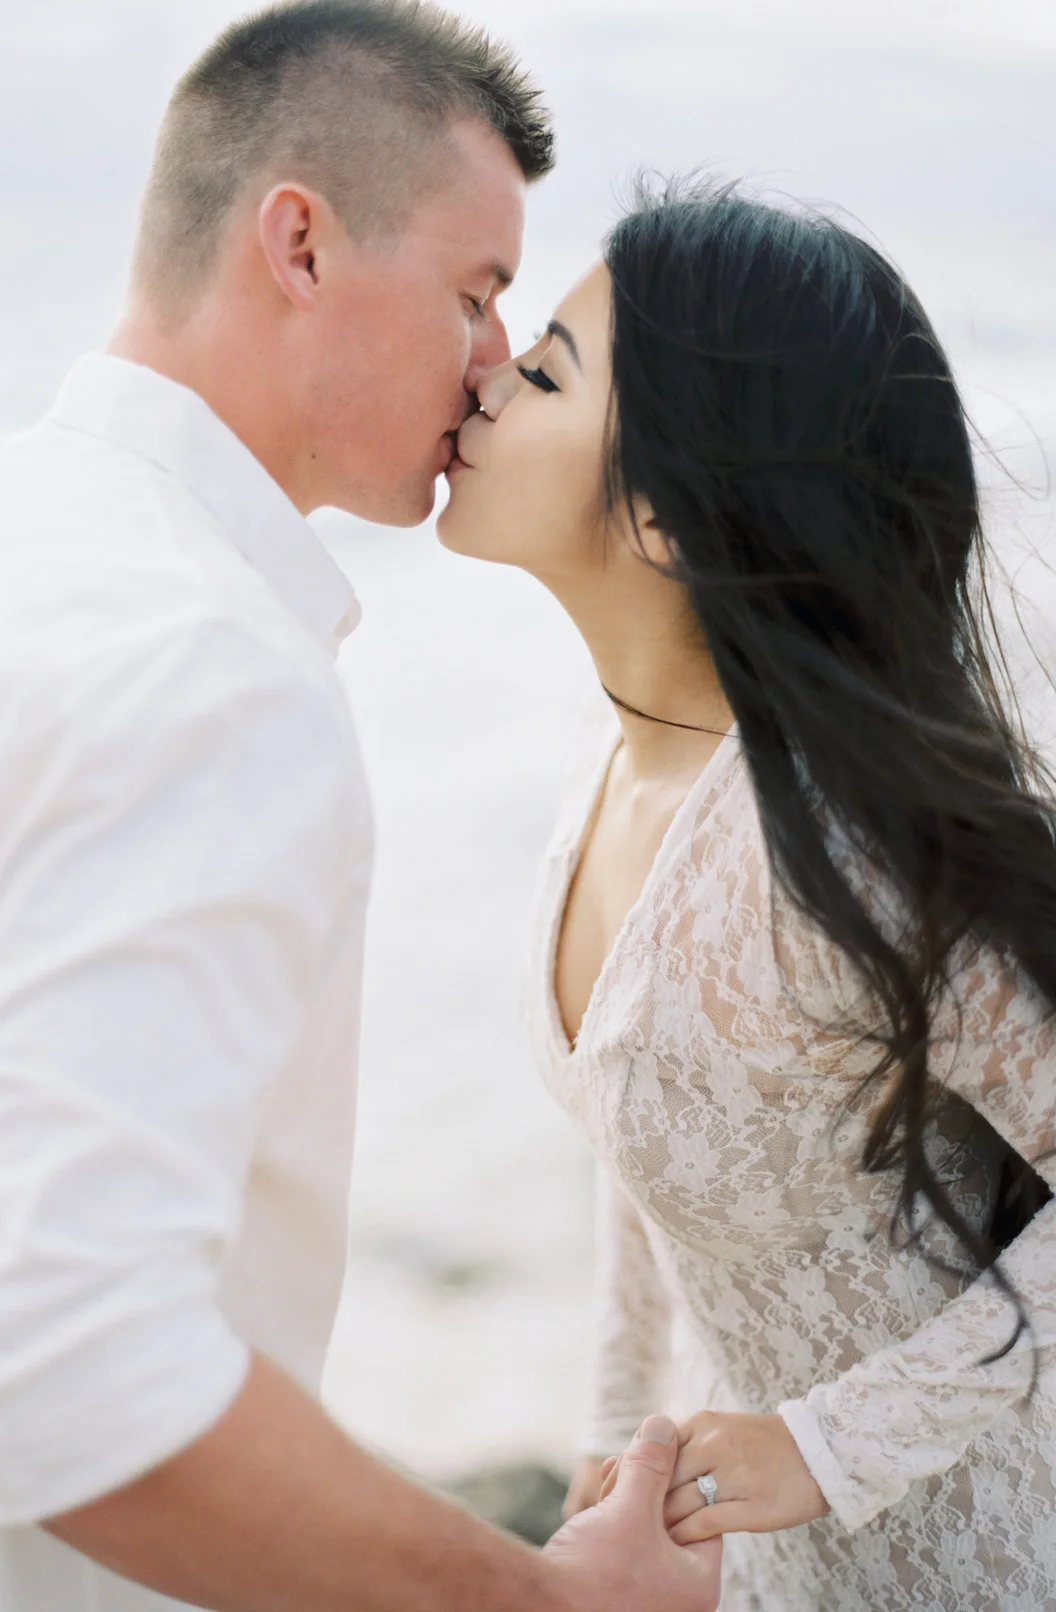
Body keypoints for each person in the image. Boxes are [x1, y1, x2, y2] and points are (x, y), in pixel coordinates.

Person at [0, 6, 722, 1611]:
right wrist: (551, 1603)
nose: (492, 360)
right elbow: (61, 1366)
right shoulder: (210, 668)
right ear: (301, 243)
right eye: (475, 292)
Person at [437, 176, 1056, 1610]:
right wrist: (612, 1457)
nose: (482, 377)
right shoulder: (617, 773)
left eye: (540, 373)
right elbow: (641, 1166)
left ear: (660, 513)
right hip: (772, 1575)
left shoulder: (847, 853)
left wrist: (831, 1442)